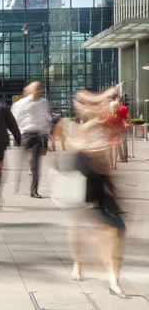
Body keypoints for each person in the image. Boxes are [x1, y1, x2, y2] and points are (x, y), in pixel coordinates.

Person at [69, 87, 127, 299]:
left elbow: (117, 130)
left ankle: (114, 279)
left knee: (117, 228)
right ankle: (78, 262)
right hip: (82, 171)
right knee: (78, 223)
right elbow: (84, 101)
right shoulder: (80, 124)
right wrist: (103, 98)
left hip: (102, 175)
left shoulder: (105, 119)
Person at [11, 82, 52, 198]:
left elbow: (46, 120)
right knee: (20, 161)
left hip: (38, 135)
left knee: (35, 165)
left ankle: (34, 191)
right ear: (29, 90)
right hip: (25, 135)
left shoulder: (44, 102)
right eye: (36, 88)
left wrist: (45, 142)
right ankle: (17, 182)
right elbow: (15, 119)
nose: (38, 90)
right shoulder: (21, 103)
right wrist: (16, 135)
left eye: (39, 88)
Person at [116, 96, 130, 162]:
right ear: (121, 102)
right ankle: (125, 158)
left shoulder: (114, 109)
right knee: (124, 143)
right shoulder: (125, 108)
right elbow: (128, 118)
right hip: (123, 128)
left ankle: (121, 158)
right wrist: (130, 126)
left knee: (118, 143)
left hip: (116, 129)